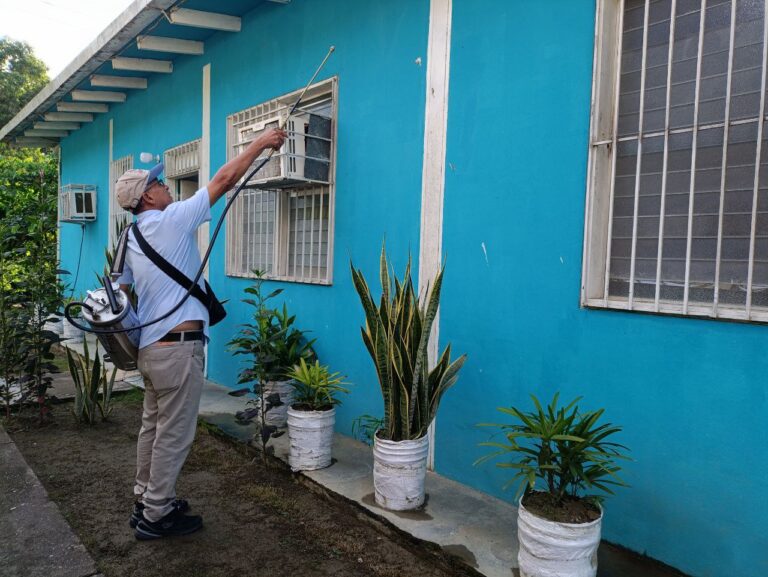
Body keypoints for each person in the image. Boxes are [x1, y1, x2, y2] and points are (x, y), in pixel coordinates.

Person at [114, 127, 287, 540]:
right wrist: (261, 142)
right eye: (158, 183)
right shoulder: (171, 220)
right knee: (174, 435)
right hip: (177, 351)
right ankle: (157, 515)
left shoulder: (129, 237)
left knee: (153, 428)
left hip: (150, 351)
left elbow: (119, 290)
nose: (165, 186)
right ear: (147, 198)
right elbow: (224, 180)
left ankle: (145, 498)